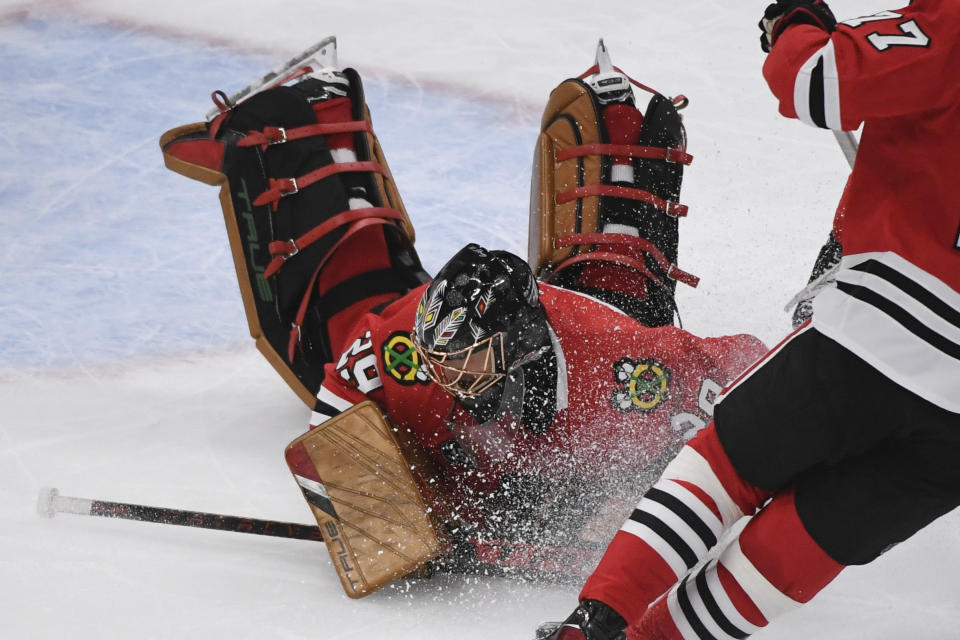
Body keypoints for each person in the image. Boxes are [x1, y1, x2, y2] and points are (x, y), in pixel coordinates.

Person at [159, 42, 766, 587]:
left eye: (468, 361)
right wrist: (393, 505)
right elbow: (339, 389)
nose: (445, 377)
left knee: (624, 299)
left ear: (521, 346)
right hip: (520, 399)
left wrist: (663, 485)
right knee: (326, 338)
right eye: (440, 357)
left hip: (600, 334)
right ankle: (296, 123)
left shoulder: (629, 369)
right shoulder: (408, 347)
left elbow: (763, 381)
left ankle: (616, 153)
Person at [541, 1, 960, 638]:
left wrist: (797, 22)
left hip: (884, 333)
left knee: (726, 469)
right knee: (808, 539)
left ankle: (592, 626)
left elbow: (816, 82)